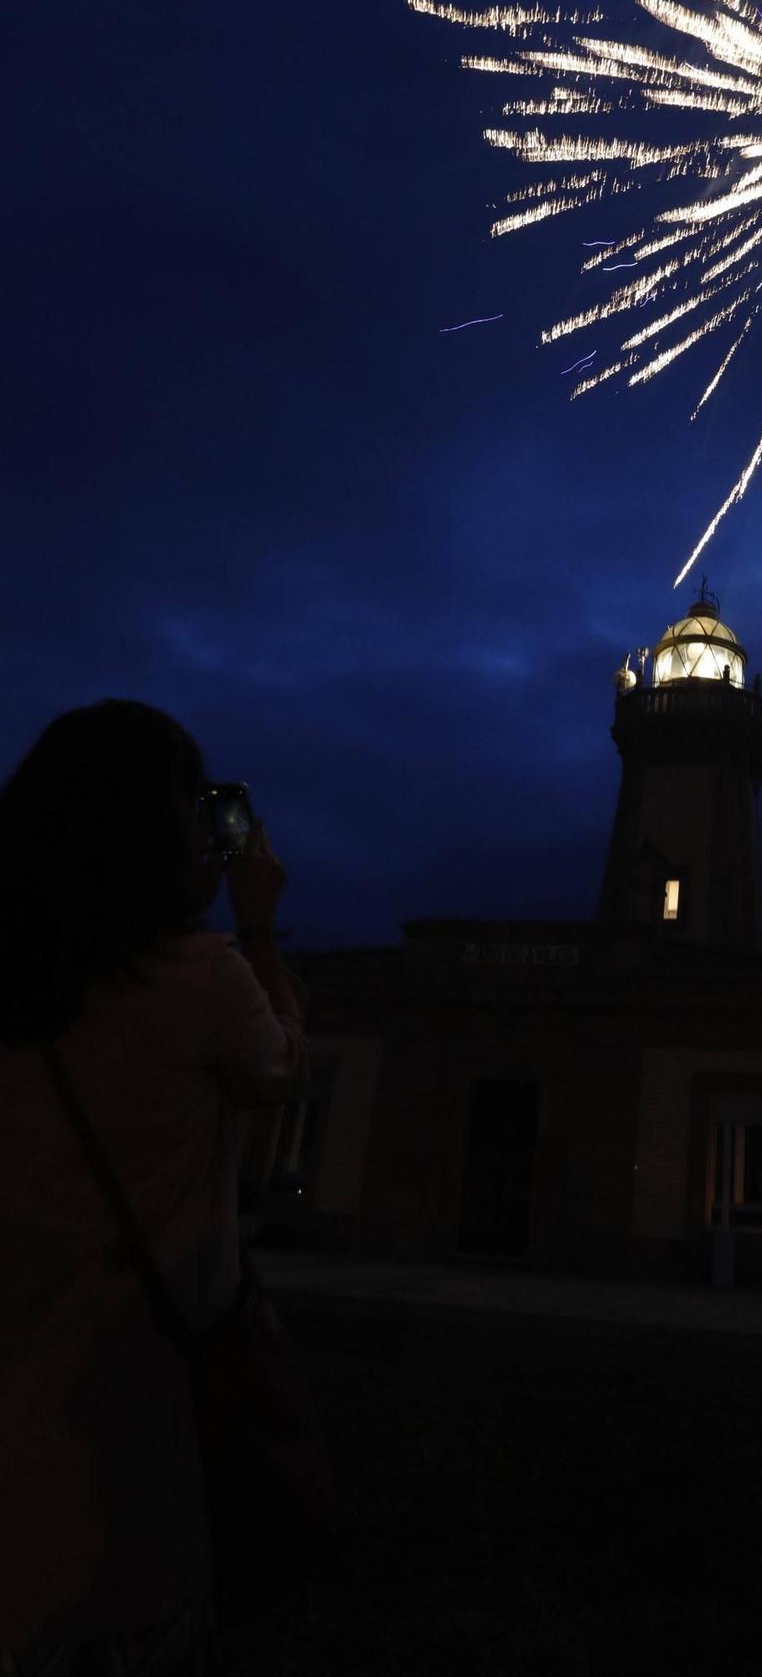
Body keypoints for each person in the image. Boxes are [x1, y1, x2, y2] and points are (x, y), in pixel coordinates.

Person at [0, 701, 312, 1675]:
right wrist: (256, 924)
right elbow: (281, 1067)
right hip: (129, 1454)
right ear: (160, 833)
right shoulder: (200, 976)